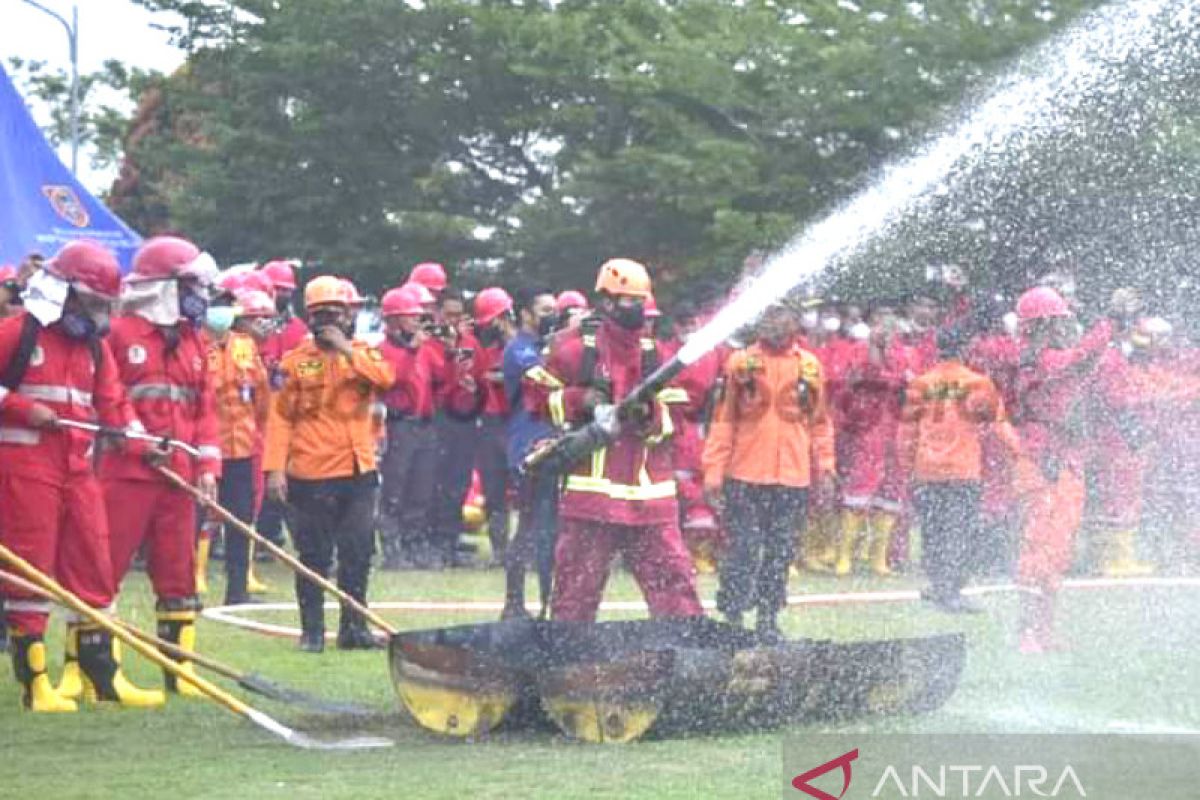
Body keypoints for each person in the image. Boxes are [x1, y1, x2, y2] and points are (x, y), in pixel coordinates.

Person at [0, 241, 163, 711]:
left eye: (103, 306)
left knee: (93, 562)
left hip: (78, 468)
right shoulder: (18, 334)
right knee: (29, 570)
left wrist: (140, 443)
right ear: (64, 293)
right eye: (91, 303)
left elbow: (114, 405)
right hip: (24, 467)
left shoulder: (95, 347)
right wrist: (24, 408)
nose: (97, 314)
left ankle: (101, 677)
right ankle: (35, 684)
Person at [528, 258, 703, 622]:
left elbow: (678, 420)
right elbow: (537, 400)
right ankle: (567, 663)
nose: (638, 309)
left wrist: (648, 416)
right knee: (575, 594)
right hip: (591, 500)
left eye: (642, 301)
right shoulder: (576, 350)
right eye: (629, 301)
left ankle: (688, 661)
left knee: (675, 590)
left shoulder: (657, 355)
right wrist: (580, 400)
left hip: (650, 500)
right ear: (606, 302)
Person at [98, 235, 222, 698]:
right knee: (103, 569)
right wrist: (136, 441)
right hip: (124, 475)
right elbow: (105, 399)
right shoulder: (118, 334)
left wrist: (208, 466)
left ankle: (181, 672)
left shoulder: (194, 341)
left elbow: (205, 410)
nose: (200, 295)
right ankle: (99, 673)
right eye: (190, 284)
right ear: (165, 286)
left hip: (180, 478)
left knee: (178, 571)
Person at [264, 276, 394, 652]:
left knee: (358, 551)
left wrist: (347, 351)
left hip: (359, 471)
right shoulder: (293, 364)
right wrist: (274, 469)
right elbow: (279, 419)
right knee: (314, 555)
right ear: (309, 317)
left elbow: (386, 380)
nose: (330, 321)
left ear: (349, 315)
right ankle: (313, 631)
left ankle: (354, 629)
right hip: (312, 474)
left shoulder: (364, 355)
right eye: (322, 315)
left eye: (337, 313)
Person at [702, 305, 835, 639]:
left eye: (781, 317)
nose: (774, 324)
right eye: (768, 317)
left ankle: (767, 618)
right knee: (743, 548)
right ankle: (732, 615)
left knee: (780, 551)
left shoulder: (809, 366)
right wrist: (713, 472)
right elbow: (724, 420)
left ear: (794, 323)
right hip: (744, 474)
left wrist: (827, 467)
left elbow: (820, 423)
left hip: (793, 477)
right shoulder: (740, 364)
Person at [1012, 285, 1113, 654]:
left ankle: (1044, 631)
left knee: (1058, 548)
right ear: (1043, 326)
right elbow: (1081, 359)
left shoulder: (1047, 357)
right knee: (1037, 546)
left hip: (1062, 458)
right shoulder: (1041, 360)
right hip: (1042, 459)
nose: (1067, 327)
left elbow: (1083, 362)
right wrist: (1110, 320)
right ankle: (1026, 632)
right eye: (1060, 321)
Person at [898, 327, 1020, 613]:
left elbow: (907, 432)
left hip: (927, 470)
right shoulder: (977, 383)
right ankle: (951, 591)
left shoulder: (921, 384)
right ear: (965, 348)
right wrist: (1021, 453)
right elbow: (999, 424)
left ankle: (938, 584)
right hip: (963, 470)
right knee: (960, 532)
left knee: (933, 530)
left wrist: (907, 467)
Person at [833, 305, 915, 577]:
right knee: (860, 484)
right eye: (879, 323)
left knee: (892, 488)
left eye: (890, 324)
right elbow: (856, 379)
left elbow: (909, 382)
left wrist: (894, 379)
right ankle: (844, 554)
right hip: (867, 425)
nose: (885, 329)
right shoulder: (857, 349)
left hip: (896, 426)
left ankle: (878, 557)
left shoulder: (905, 352)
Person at [204, 289, 272, 605]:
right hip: (206, 448)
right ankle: (189, 584)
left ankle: (237, 590)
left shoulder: (244, 346)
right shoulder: (195, 345)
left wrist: (258, 430)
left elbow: (261, 393)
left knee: (240, 519)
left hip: (241, 446)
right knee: (198, 517)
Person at [500, 286, 559, 618]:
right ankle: (514, 604)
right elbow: (549, 379)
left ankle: (549, 606)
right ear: (526, 314)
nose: (552, 315)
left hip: (553, 446)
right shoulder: (519, 349)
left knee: (552, 531)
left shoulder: (545, 347)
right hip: (527, 449)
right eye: (545, 309)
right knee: (530, 527)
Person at [377, 284, 440, 569]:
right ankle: (393, 548)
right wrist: (412, 352)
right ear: (393, 319)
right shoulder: (382, 350)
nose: (417, 320)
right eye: (410, 315)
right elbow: (390, 380)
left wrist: (449, 352)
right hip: (398, 425)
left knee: (421, 489)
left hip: (424, 426)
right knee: (394, 488)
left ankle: (415, 544)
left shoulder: (422, 348)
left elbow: (441, 376)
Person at [256, 259, 308, 554]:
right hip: (259, 411)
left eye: (286, 290)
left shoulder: (298, 328)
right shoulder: (254, 326)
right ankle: (262, 534)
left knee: (284, 477)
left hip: (287, 411)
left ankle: (274, 533)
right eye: (277, 290)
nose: (281, 296)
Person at [471, 287, 516, 565]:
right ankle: (500, 551)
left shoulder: (526, 347)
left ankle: (525, 550)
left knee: (527, 490)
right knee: (494, 490)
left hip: (518, 422)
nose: (492, 328)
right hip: (490, 423)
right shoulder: (484, 351)